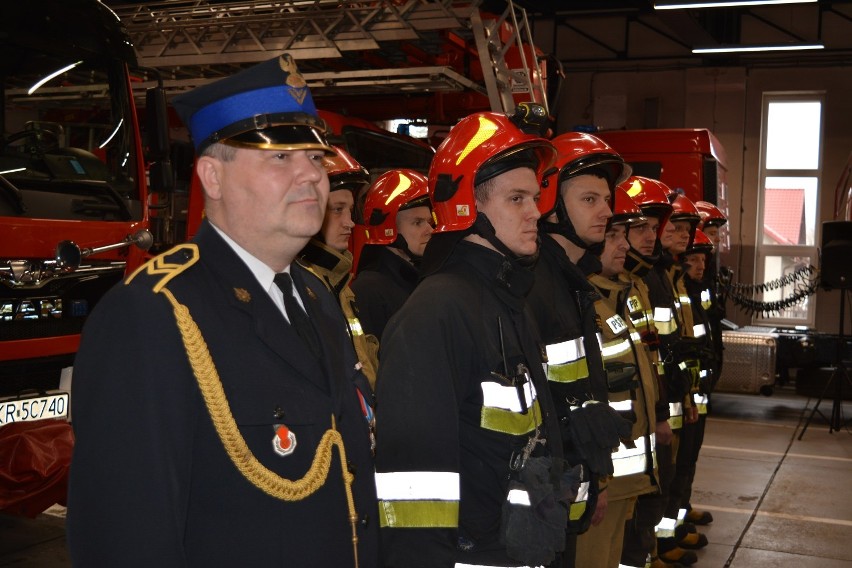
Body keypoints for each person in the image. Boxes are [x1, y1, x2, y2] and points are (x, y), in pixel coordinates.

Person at [66, 54, 379, 567]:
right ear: (212, 177)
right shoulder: (152, 314)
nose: (312, 177)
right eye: (281, 158)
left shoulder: (317, 297)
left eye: (317, 159)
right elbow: (125, 536)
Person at [374, 103, 575, 568]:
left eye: (534, 198)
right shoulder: (434, 314)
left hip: (516, 547)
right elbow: (412, 488)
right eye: (517, 199)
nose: (536, 213)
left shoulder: (508, 301)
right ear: (468, 206)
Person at [527, 131, 633, 568]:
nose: (607, 212)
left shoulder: (572, 280)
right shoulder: (534, 285)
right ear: (550, 203)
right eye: (590, 199)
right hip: (544, 491)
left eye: (606, 200)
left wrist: (596, 479)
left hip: (571, 482)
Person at [617, 176, 693, 568]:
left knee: (660, 483)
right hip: (633, 420)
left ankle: (650, 550)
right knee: (634, 505)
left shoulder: (646, 278)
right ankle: (646, 551)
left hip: (657, 405)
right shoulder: (632, 281)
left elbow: (656, 353)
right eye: (640, 227)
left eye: (653, 227)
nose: (652, 235)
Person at [583, 187, 660, 568]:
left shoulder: (618, 295)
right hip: (604, 474)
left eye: (621, 236)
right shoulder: (584, 303)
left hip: (626, 471)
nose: (623, 245)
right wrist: (597, 478)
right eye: (612, 236)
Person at [299, 146, 380, 391]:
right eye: (337, 209)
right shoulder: (296, 286)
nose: (350, 222)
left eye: (350, 210)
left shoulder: (338, 281)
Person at [351, 168, 433, 340]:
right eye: (417, 222)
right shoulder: (368, 290)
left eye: (430, 222)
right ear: (388, 229)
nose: (430, 230)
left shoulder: (421, 278)